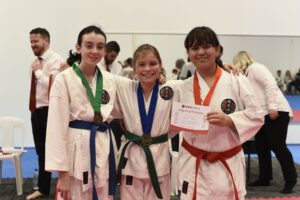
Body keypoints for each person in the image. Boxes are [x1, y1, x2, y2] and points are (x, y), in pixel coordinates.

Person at [175, 27, 264, 200]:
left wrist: (230, 120)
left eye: (206, 46)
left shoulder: (237, 80)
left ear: (217, 50)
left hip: (226, 164)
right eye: (194, 48)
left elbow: (257, 114)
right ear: (188, 53)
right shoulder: (180, 87)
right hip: (194, 163)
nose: (201, 52)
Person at [45, 25, 118, 200]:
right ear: (78, 48)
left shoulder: (110, 79)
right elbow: (56, 127)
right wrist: (62, 174)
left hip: (104, 141)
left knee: (102, 190)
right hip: (77, 146)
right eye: (89, 45)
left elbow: (136, 86)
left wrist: (160, 78)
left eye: (100, 47)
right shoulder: (63, 78)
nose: (95, 51)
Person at [115, 44, 179, 200]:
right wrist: (73, 64)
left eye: (153, 63)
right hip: (131, 163)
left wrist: (221, 67)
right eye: (142, 64)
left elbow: (197, 82)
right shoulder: (125, 87)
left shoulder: (171, 88)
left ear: (160, 65)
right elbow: (97, 75)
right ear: (134, 68)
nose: (147, 69)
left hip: (159, 161)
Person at [233, 51, 298, 194]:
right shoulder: (247, 74)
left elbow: (270, 84)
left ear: (241, 61)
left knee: (278, 145)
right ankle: (265, 177)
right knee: (261, 145)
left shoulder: (256, 68)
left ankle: (291, 179)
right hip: (263, 114)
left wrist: (272, 106)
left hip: (276, 111)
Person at [27, 27, 64, 200]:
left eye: (36, 41)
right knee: (41, 151)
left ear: (46, 41)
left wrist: (39, 72)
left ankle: (66, 186)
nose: (32, 44)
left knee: (58, 150)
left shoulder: (56, 60)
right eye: (31, 41)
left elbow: (54, 84)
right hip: (37, 111)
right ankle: (43, 188)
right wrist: (36, 70)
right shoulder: (35, 62)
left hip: (52, 110)